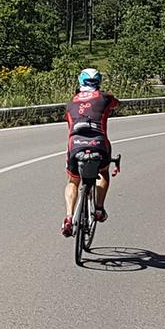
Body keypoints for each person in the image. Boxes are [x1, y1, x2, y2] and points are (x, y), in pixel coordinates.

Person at [61, 67, 120, 237]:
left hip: (75, 144)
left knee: (73, 180)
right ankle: (99, 209)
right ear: (99, 81)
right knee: (103, 173)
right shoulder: (105, 97)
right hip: (99, 143)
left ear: (80, 81)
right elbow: (116, 103)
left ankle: (69, 217)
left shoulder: (70, 103)